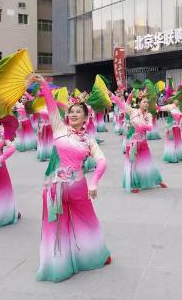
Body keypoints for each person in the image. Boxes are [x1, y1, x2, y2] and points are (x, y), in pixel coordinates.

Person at [34, 76, 111, 282]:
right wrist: (43, 85)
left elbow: (102, 162)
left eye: (79, 112)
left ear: (86, 117)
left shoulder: (89, 139)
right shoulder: (59, 128)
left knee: (88, 220)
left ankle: (94, 254)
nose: (74, 114)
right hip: (54, 187)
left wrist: (94, 182)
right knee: (55, 225)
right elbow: (50, 106)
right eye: (72, 111)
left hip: (78, 186)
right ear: (66, 115)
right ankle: (57, 264)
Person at [111, 89, 167, 193]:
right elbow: (121, 104)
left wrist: (141, 125)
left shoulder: (148, 115)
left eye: (147, 102)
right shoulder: (132, 111)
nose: (146, 104)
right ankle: (134, 184)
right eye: (144, 102)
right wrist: (112, 95)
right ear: (139, 103)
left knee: (147, 162)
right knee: (133, 163)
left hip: (143, 142)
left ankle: (157, 180)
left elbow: (150, 127)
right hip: (133, 143)